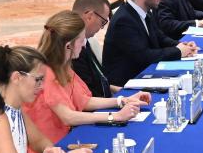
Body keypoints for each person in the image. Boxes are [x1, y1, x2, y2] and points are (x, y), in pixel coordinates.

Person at [26, 11, 146, 144]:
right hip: (50, 148)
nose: (84, 45)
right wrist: (115, 116)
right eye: (81, 40)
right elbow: (68, 117)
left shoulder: (63, 66)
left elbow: (83, 100)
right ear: (68, 45)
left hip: (65, 139)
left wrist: (123, 100)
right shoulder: (45, 72)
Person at [0, 44, 92, 153]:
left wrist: (49, 149)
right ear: (16, 78)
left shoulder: (17, 109)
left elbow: (39, 141)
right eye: (38, 79)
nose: (42, 86)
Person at [103, 0, 198, 86]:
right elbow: (143, 56)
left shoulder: (144, 12)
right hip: (127, 82)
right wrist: (178, 52)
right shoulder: (124, 20)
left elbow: (160, 37)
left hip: (143, 71)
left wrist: (180, 45)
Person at [71, 0, 118, 99]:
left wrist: (120, 91)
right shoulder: (72, 50)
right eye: (102, 22)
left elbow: (96, 80)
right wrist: (119, 102)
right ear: (89, 16)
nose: (101, 28)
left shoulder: (85, 41)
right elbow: (86, 97)